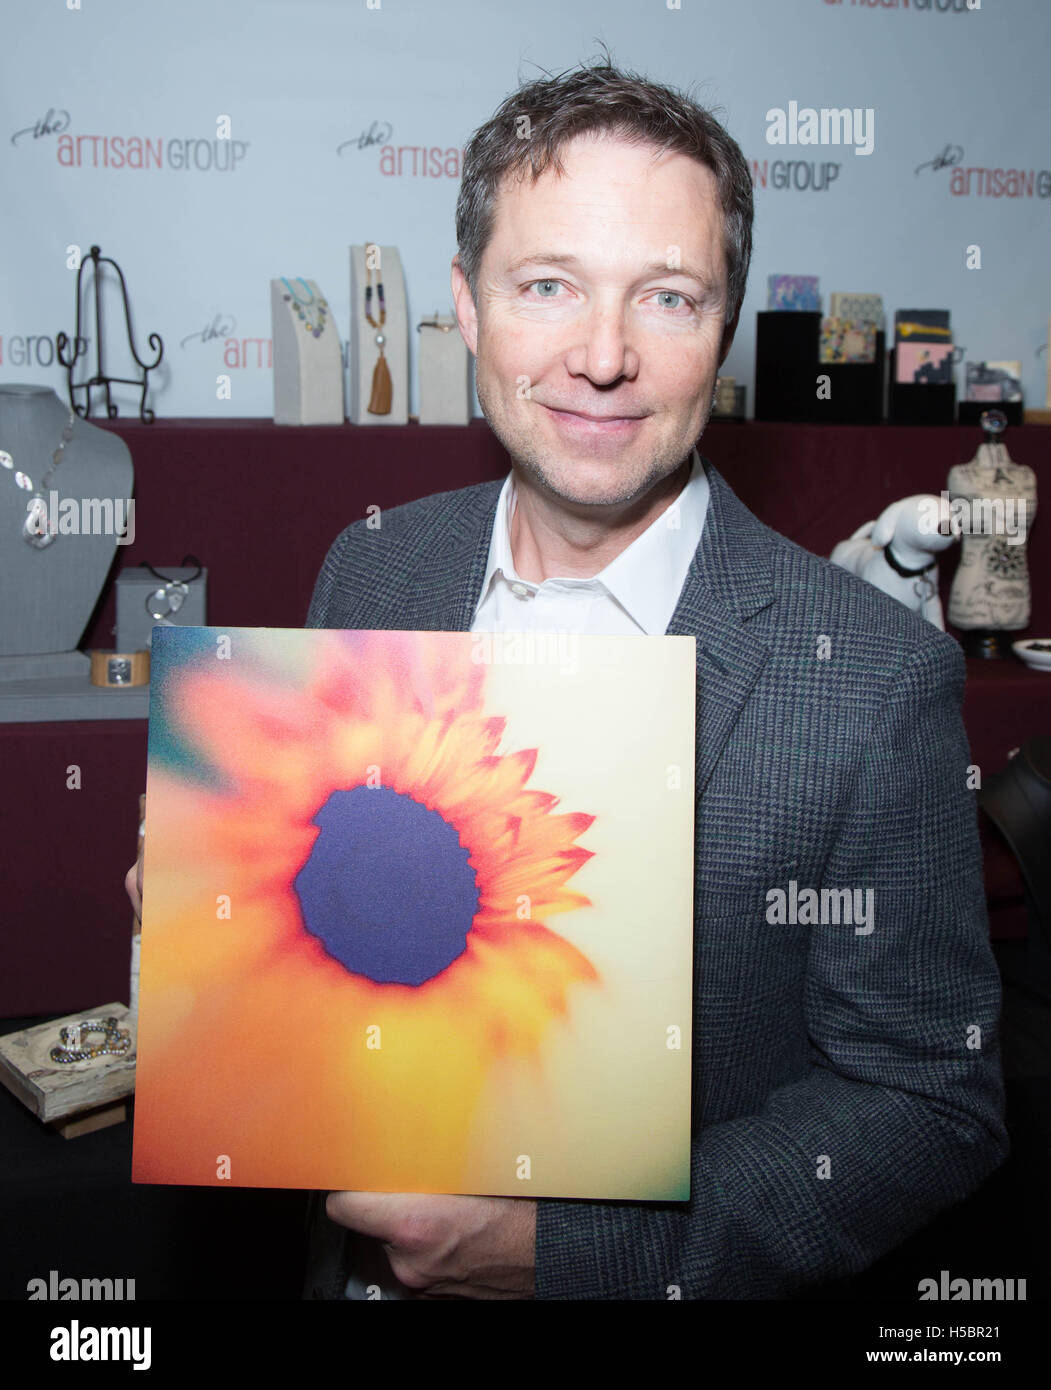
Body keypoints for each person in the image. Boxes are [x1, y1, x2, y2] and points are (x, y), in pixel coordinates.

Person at [128, 56, 1008, 1301]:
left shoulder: (874, 679)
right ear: (468, 306)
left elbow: (931, 1101)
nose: (603, 357)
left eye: (666, 298)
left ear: (725, 329)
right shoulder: (375, 567)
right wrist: (217, 928)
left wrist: (565, 1252)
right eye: (548, 285)